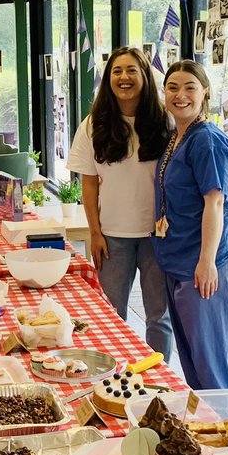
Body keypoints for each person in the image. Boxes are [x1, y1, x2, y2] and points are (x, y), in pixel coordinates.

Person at [67, 47, 174, 358]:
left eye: (131, 70)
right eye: (116, 71)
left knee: (159, 317)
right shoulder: (93, 125)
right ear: (108, 78)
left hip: (159, 236)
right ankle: (112, 380)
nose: (124, 77)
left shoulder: (164, 121)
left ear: (144, 76)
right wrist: (95, 233)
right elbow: (88, 183)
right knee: (111, 315)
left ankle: (160, 380)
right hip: (113, 237)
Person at [152, 60, 228, 390]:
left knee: (211, 358)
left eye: (190, 87)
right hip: (179, 260)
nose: (180, 95)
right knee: (192, 357)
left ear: (205, 92)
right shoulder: (178, 136)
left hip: (201, 264)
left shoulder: (207, 141)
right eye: (172, 87)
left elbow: (215, 203)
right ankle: (209, 428)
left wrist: (206, 263)